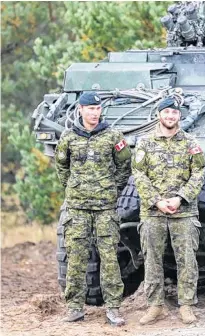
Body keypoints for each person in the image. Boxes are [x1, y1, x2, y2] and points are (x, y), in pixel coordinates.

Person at [55, 91, 131, 326]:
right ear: (81, 109)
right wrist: (74, 189)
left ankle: (113, 309)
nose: (94, 113)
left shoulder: (113, 136)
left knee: (109, 259)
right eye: (90, 109)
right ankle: (75, 307)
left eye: (97, 109)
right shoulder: (68, 137)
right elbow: (61, 166)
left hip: (105, 208)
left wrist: (111, 190)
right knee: (76, 258)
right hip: (77, 209)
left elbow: (124, 166)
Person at [132, 96, 205, 325]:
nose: (170, 116)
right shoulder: (145, 143)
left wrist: (180, 198)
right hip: (153, 212)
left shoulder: (191, 143)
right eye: (166, 112)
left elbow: (199, 173)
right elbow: (139, 174)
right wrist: (156, 201)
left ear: (179, 116)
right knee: (152, 260)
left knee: (187, 260)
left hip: (183, 211)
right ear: (159, 115)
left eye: (174, 113)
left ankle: (186, 305)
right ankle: (156, 306)